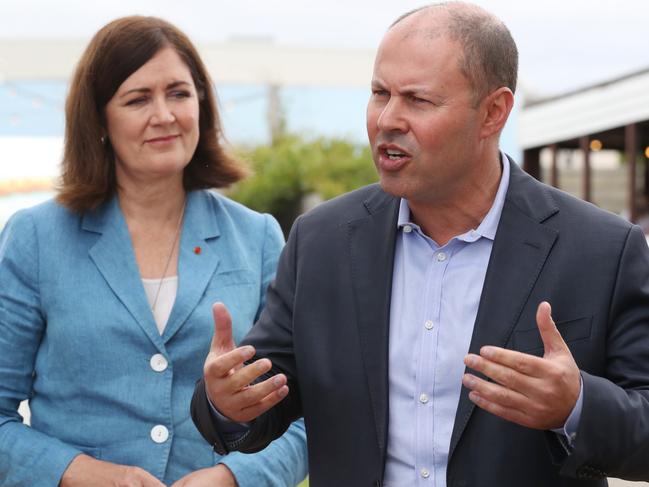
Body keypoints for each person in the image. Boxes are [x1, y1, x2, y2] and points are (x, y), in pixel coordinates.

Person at [191, 2, 649, 486]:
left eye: (418, 100)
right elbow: (263, 399)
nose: (388, 119)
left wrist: (576, 406)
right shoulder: (321, 241)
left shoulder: (602, 250)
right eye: (379, 93)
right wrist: (227, 402)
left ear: (493, 112)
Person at [0, 16, 307, 487]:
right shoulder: (35, 238)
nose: (164, 115)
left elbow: (306, 411)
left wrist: (231, 477)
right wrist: (87, 475)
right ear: (98, 119)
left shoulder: (259, 237)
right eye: (138, 98)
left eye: (179, 93)